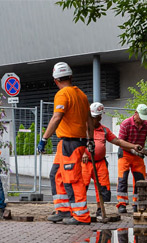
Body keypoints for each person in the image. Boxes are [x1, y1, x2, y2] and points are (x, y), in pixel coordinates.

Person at [37, 62, 95, 225]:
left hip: (70, 144)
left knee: (72, 179)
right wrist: (90, 139)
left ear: (55, 80)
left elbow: (57, 117)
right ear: (70, 76)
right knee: (56, 174)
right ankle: (63, 210)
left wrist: (44, 139)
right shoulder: (82, 95)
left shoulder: (62, 94)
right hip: (70, 144)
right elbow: (89, 121)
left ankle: (81, 216)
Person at [84, 102, 142, 218]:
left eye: (99, 117)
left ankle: (100, 209)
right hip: (85, 163)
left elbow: (118, 141)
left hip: (100, 162)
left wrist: (133, 146)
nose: (98, 119)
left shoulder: (104, 130)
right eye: (95, 117)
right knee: (81, 187)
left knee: (102, 187)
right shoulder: (83, 129)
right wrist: (82, 153)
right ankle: (80, 210)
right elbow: (76, 144)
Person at [117, 104, 147, 213]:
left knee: (140, 179)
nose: (142, 120)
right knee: (123, 178)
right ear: (135, 113)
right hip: (125, 153)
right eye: (141, 117)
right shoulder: (126, 124)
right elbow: (120, 142)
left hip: (138, 155)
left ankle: (137, 203)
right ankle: (121, 204)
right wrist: (132, 149)